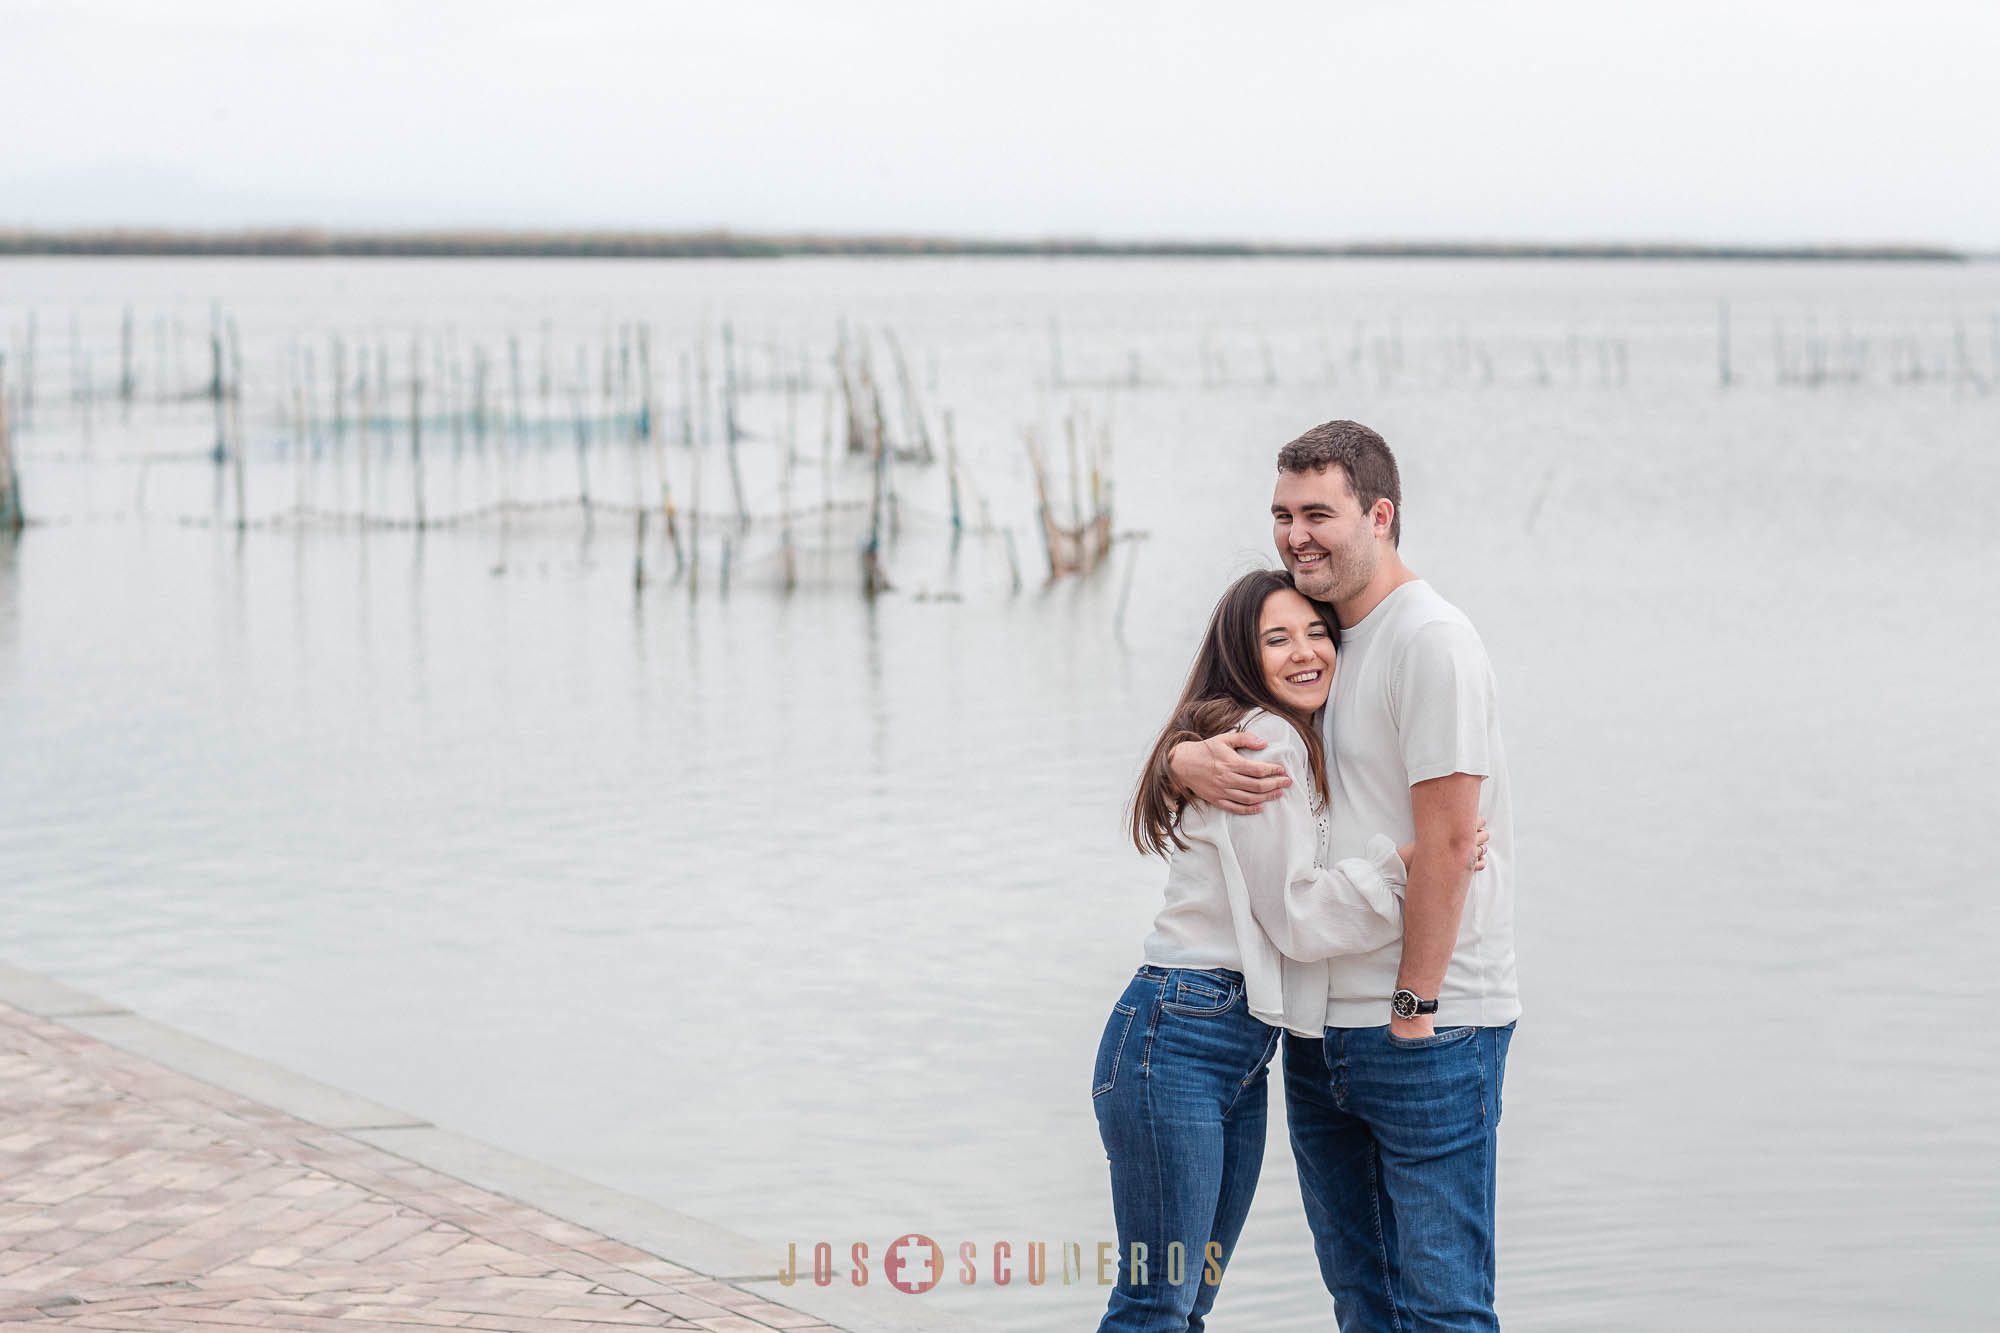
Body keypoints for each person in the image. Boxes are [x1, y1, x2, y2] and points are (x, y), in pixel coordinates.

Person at [1169, 421, 1520, 1332]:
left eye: (1318, 513)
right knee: (1364, 1302)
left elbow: (1447, 845)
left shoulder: (1431, 640)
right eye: (1282, 514)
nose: (1297, 536)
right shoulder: (1323, 637)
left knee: (1442, 1309)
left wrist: (1414, 1007)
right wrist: (1183, 760)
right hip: (1321, 1031)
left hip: (1426, 1032)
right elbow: (1224, 708)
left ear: (1381, 514)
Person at [1094, 567, 1487, 1332]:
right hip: (1178, 1038)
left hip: (1228, 1047)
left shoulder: (1260, 733)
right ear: (1242, 653)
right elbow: (1298, 918)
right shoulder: (1267, 738)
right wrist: (1408, 868)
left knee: (1183, 1298)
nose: (1305, 651)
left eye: (1317, 632)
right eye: (1278, 638)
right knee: (1157, 1300)